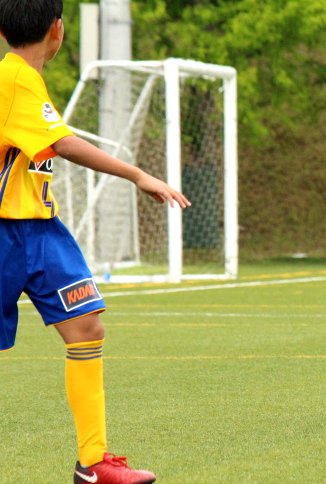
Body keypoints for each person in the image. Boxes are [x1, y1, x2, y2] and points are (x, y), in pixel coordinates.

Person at [0, 1, 190, 482]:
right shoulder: (15, 78)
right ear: (57, 30)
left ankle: (93, 462)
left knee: (85, 325)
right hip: (4, 233)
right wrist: (138, 174)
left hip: (40, 229)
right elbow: (62, 143)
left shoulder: (24, 79)